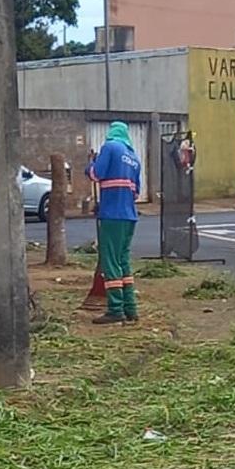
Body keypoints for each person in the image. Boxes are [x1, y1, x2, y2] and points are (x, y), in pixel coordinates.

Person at [86, 122, 142, 325]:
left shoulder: (110, 148)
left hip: (112, 214)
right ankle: (131, 308)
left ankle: (115, 309)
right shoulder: (134, 157)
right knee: (124, 261)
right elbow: (136, 192)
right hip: (129, 216)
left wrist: (90, 165)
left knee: (110, 261)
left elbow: (96, 174)